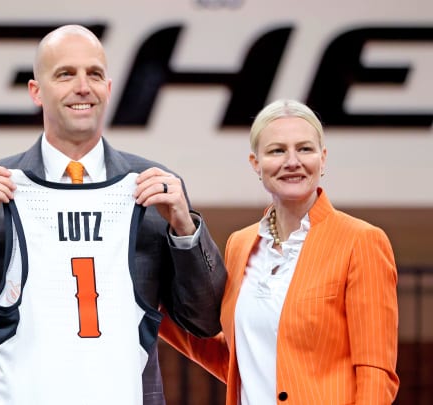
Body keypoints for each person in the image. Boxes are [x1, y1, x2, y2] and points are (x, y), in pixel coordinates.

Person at [0, 24, 226, 405]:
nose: (83, 87)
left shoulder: (154, 190)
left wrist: (185, 228)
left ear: (109, 89)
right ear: (36, 91)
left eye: (94, 74)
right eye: (65, 74)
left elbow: (205, 320)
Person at [159, 99, 399, 404]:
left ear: (323, 159)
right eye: (277, 150)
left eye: (305, 149)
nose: (292, 161)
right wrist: (156, 307)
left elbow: (376, 373)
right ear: (255, 163)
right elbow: (238, 363)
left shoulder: (361, 241)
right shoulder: (240, 244)